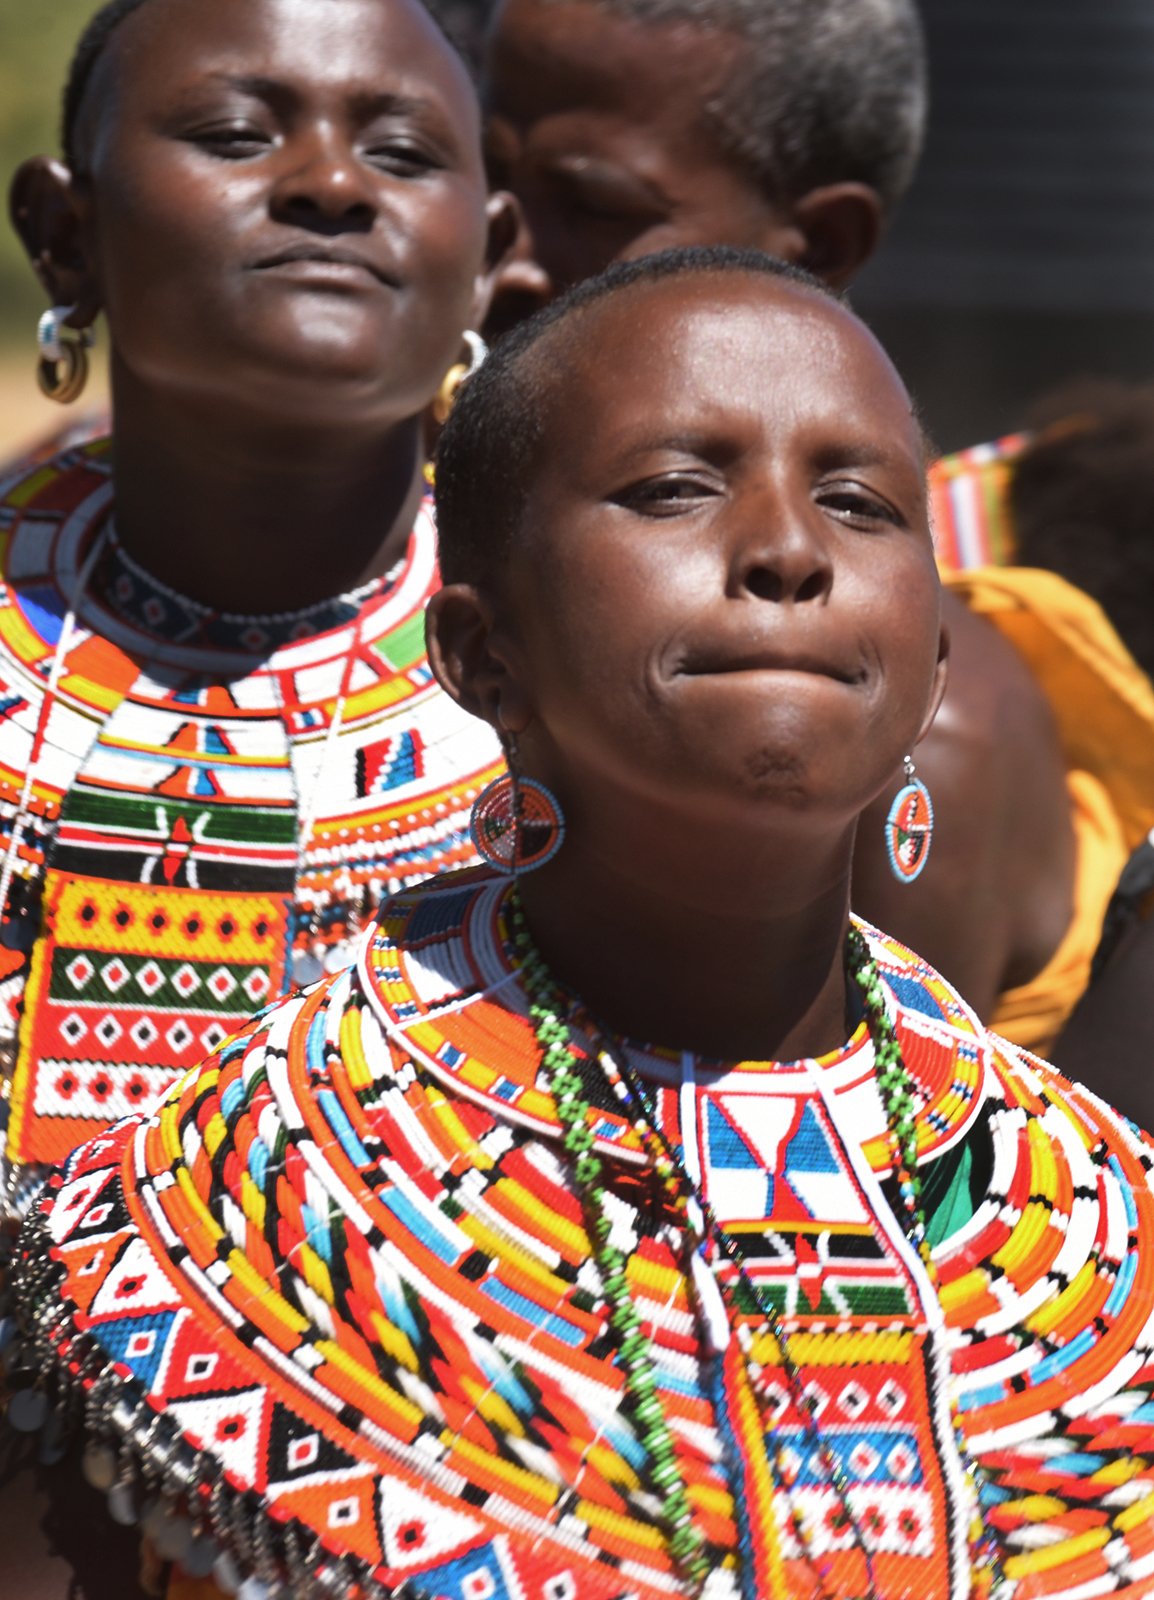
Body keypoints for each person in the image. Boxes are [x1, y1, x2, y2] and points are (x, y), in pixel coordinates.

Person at [9, 249, 1154, 1600]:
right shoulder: (216, 1210)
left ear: (931, 660)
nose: (788, 554)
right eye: (673, 490)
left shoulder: (1097, 1218)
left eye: (856, 503)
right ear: (480, 654)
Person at [477, 0, 1154, 1066]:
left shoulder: (857, 719)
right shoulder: (290, 1140)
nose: (500, 253)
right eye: (468, 171)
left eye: (589, 204)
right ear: (474, 654)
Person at [0, 0, 517, 1202]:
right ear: (65, 233)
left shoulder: (586, 678)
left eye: (399, 153)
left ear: (487, 257)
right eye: (237, 134)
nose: (332, 184)